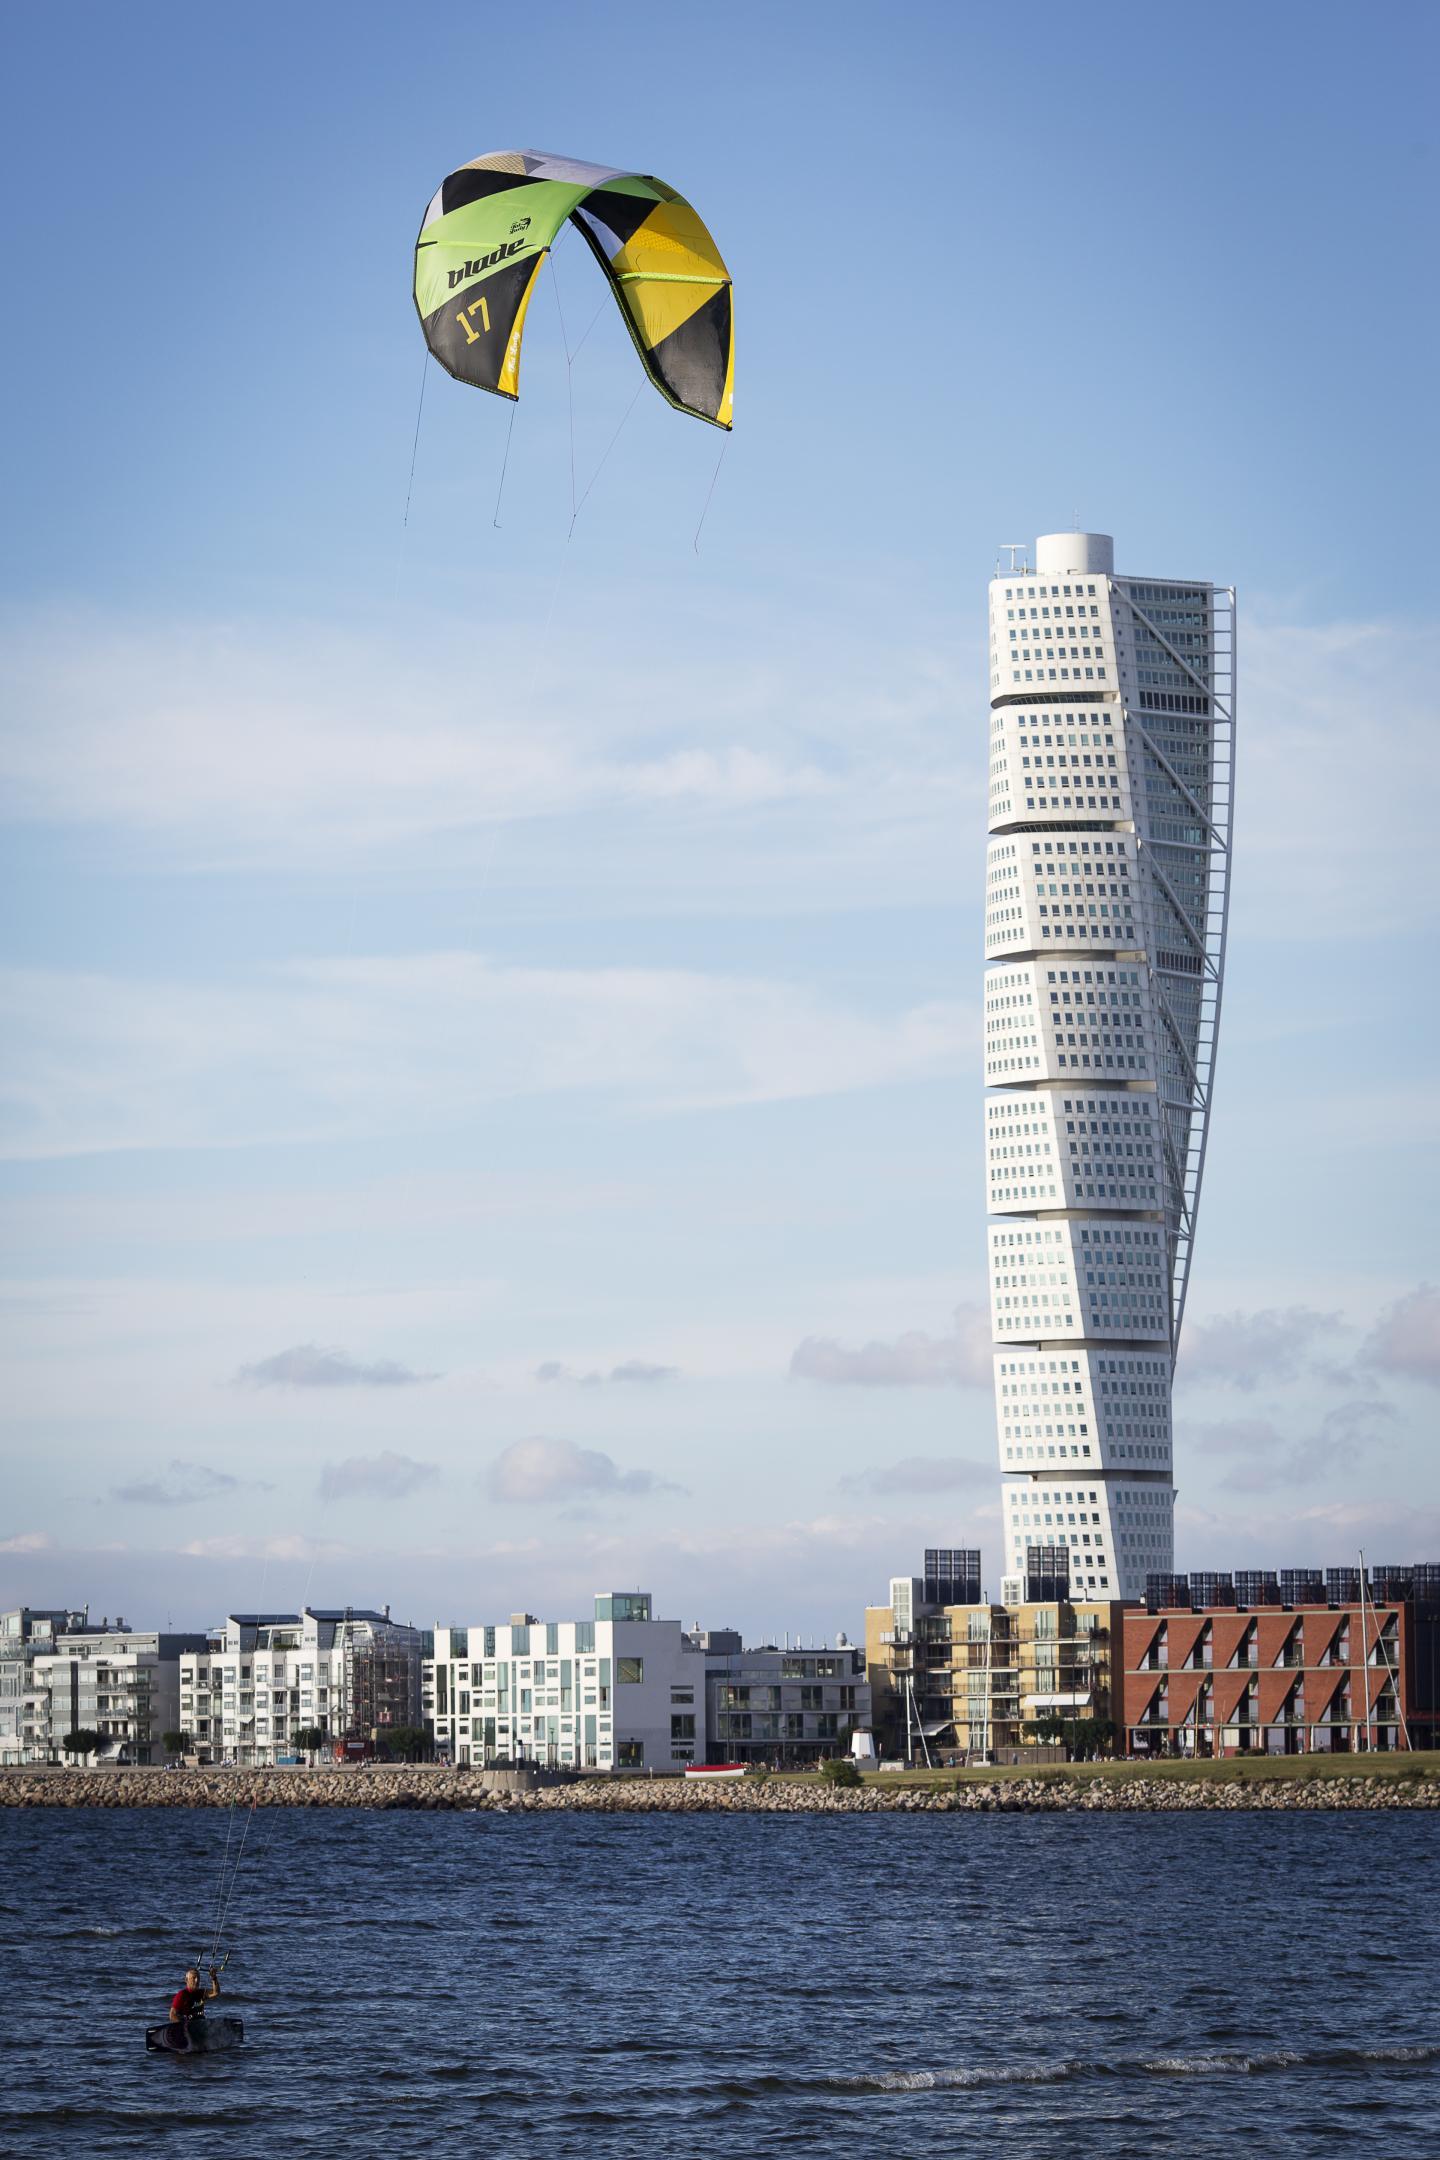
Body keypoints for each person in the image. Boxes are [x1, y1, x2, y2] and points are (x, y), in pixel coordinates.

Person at [169, 1964, 221, 2044]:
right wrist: (184, 2027)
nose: (197, 1981)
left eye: (198, 1978)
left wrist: (214, 1978)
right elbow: (172, 2015)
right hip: (187, 2027)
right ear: (186, 1980)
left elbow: (216, 1993)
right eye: (194, 1978)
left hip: (200, 2026)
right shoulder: (182, 1995)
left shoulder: (201, 1993)